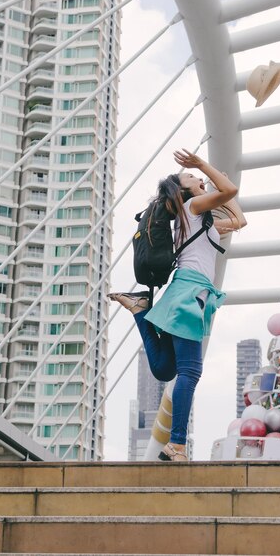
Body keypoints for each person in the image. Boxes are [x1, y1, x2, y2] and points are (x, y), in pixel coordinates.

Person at [109, 148, 246, 461]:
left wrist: (214, 177)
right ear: (185, 190)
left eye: (198, 175)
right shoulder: (192, 207)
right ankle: (177, 445)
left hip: (190, 294)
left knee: (166, 368)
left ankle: (140, 310)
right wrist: (204, 167)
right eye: (192, 177)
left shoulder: (203, 221)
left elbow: (239, 220)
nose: (199, 178)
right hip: (188, 293)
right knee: (190, 371)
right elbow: (230, 191)